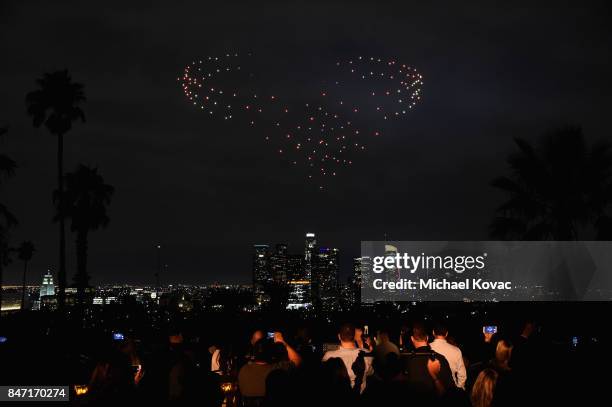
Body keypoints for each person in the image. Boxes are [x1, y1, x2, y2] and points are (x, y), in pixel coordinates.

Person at [400, 322, 455, 397]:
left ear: (412, 339)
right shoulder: (441, 358)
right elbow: (450, 387)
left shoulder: (408, 361)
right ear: (427, 337)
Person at [322, 323, 373, 393]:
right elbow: (370, 373)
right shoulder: (367, 354)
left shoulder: (328, 356)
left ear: (339, 336)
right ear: (354, 336)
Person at [430, 322, 467, 389]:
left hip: (432, 389)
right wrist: (459, 388)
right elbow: (462, 375)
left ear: (433, 332)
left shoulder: (427, 348)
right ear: (446, 334)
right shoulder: (456, 350)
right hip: (451, 389)